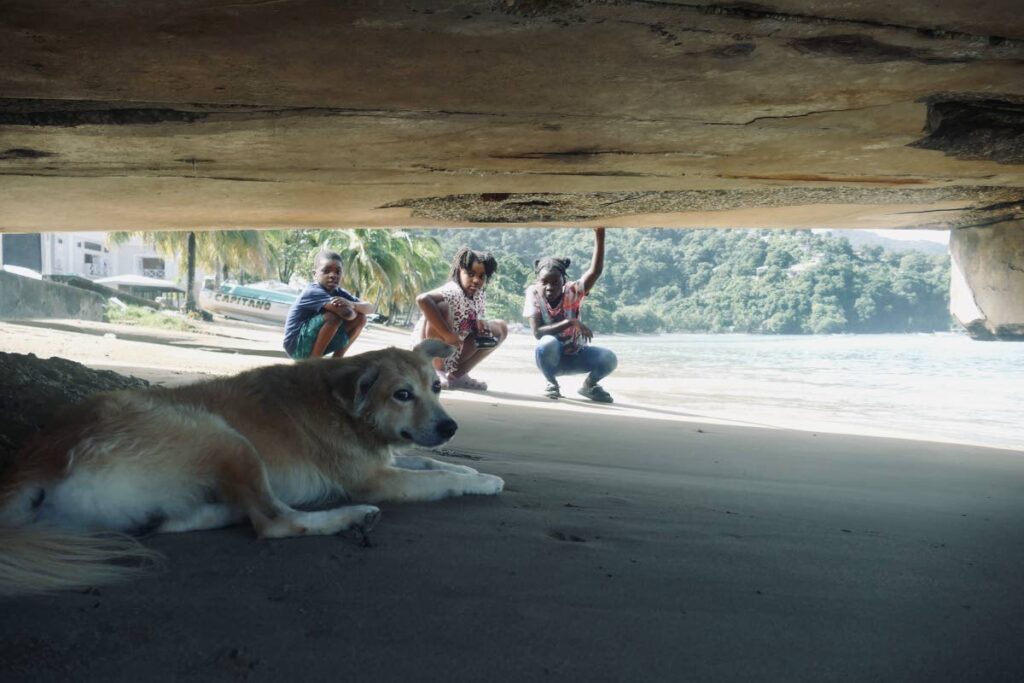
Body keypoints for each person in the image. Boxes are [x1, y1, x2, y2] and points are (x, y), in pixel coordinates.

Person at [523, 227, 617, 403]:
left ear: (563, 282)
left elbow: (595, 272)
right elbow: (537, 333)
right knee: (547, 342)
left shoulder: (573, 291)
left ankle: (589, 386)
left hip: (575, 355)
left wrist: (600, 234)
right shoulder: (533, 294)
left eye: (555, 282)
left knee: (609, 358)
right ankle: (551, 383)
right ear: (538, 282)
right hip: (551, 358)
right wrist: (570, 322)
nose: (550, 287)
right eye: (544, 282)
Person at [413, 247, 508, 391]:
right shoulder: (453, 290)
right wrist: (447, 335)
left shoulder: (479, 294)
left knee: (500, 327)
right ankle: (436, 371)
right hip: (428, 352)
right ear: (459, 271)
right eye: (470, 274)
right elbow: (423, 299)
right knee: (442, 306)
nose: (476, 280)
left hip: (455, 349)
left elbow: (474, 319)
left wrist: (481, 326)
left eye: (482, 276)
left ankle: (458, 376)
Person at [283, 250, 374, 360]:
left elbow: (370, 308)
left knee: (361, 318)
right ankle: (314, 363)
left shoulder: (339, 292)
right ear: (315, 274)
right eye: (326, 271)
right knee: (333, 317)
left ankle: (336, 360)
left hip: (314, 342)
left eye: (337, 272)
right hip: (296, 345)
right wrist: (354, 309)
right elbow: (346, 313)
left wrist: (352, 304)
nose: (332, 275)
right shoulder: (313, 291)